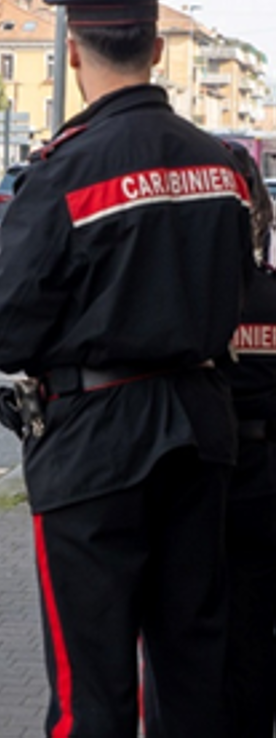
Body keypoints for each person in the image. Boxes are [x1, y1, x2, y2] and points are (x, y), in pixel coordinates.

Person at [0, 0, 253, 738]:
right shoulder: (225, 167)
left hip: (95, 441)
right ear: (158, 48)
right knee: (194, 665)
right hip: (200, 427)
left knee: (91, 682)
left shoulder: (66, 170)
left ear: (74, 52)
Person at [219, 141, 276, 738]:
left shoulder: (184, 303)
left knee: (181, 639)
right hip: (265, 482)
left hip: (196, 486)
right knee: (256, 636)